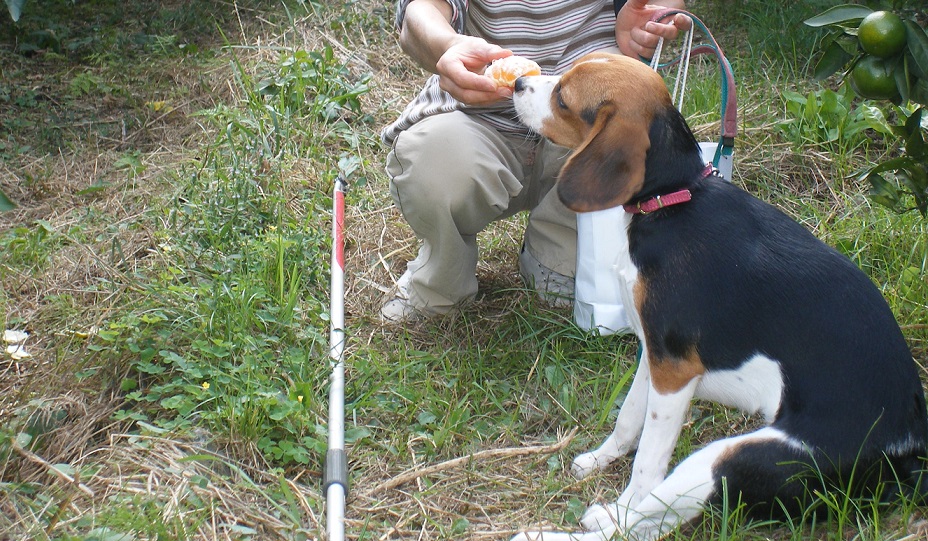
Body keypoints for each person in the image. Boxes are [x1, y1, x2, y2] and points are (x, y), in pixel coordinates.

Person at [380, 0, 688, 323]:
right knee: (430, 158)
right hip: (478, 120)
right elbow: (420, 10)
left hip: (585, 126)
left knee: (621, 143)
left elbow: (665, 5)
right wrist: (448, 45)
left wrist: (652, 17)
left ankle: (553, 264)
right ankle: (440, 280)